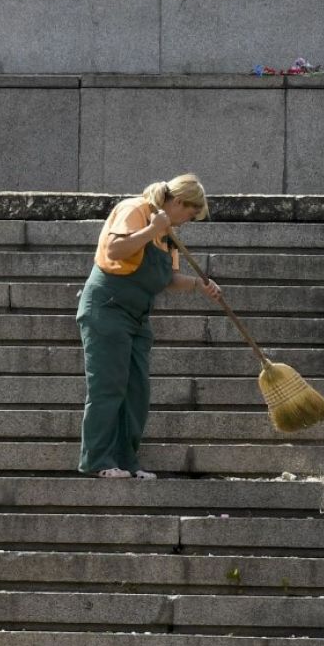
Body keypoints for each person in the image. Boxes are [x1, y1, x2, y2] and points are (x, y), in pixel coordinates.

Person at [76, 175, 224, 479]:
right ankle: (99, 461)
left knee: (137, 391)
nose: (188, 221)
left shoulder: (167, 234)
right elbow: (115, 250)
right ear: (179, 202)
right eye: (190, 214)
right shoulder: (136, 209)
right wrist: (151, 230)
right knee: (108, 386)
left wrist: (199, 284)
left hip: (136, 317)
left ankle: (126, 461)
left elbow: (167, 279)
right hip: (107, 308)